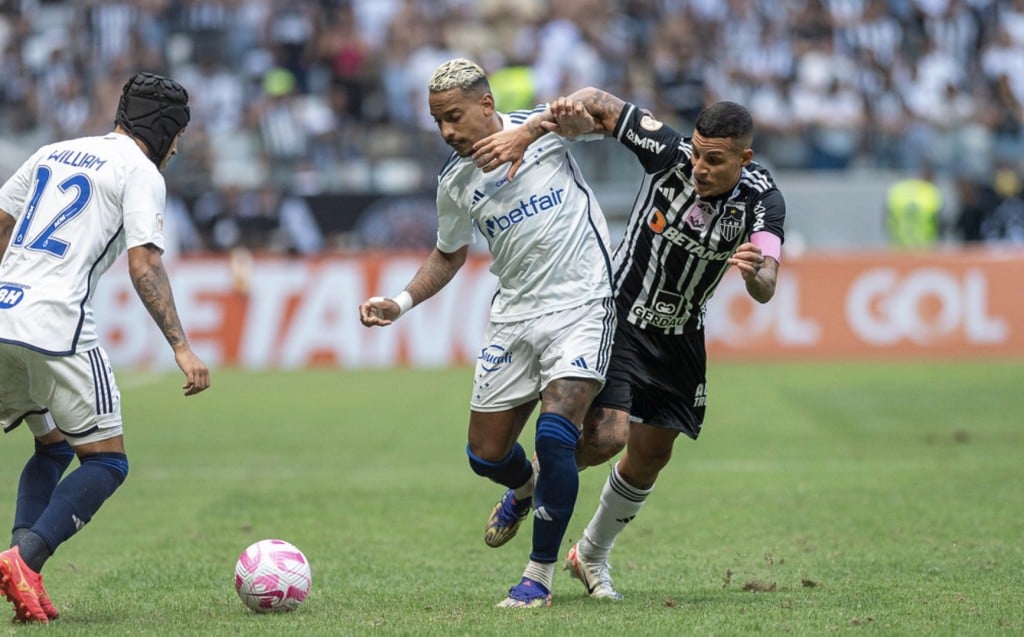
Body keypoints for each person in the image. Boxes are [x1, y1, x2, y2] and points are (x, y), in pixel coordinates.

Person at [473, 89, 786, 600]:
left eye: (714, 159)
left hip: (682, 332)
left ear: (743, 158)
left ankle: (590, 554)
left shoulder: (763, 199)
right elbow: (596, 101)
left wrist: (755, 275)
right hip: (619, 314)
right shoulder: (668, 153)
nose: (700, 167)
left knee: (650, 457)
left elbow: (768, 280)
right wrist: (527, 132)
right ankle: (531, 491)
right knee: (606, 436)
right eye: (698, 153)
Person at [358, 59, 616, 608]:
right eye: (438, 123)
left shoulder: (544, 131)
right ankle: (522, 489)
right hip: (515, 314)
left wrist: (530, 128)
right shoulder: (454, 182)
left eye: (454, 116)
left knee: (554, 436)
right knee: (485, 454)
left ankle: (538, 578)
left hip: (582, 302)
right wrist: (399, 302)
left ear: (485, 104)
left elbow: (601, 109)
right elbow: (449, 254)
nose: (448, 131)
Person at [0, 72, 211, 623]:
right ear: (165, 131)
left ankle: (26, 578)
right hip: (59, 322)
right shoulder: (139, 171)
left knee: (51, 445)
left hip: (4, 311)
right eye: (178, 136)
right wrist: (181, 346)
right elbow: (144, 262)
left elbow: (0, 224)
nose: (178, 147)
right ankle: (24, 559)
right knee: (108, 461)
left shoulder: (54, 151)